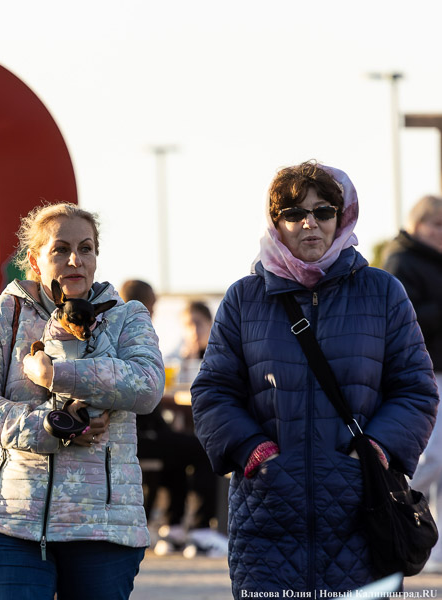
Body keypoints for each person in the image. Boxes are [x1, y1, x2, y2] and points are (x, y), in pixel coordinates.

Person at [191, 161, 438, 598]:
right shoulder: (243, 298)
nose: (310, 223)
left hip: (363, 513)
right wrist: (254, 453)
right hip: (266, 515)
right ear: (276, 222)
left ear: (341, 218)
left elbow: (415, 389)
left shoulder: (383, 292)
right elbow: (213, 392)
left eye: (323, 211)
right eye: (294, 213)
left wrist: (376, 451)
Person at [0, 203, 165, 600]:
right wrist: (50, 425)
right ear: (34, 260)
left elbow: (148, 387)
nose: (74, 260)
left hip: (104, 527)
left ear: (96, 257)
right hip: (13, 523)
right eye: (60, 249)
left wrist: (56, 375)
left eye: (86, 248)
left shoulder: (127, 317)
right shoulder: (2, 315)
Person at [125, 287, 226, 558]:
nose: (153, 314)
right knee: (200, 448)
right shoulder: (135, 337)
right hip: (133, 435)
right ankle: (202, 531)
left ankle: (173, 529)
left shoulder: (217, 352)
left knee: (178, 447)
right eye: (152, 308)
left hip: (139, 432)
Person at [382, 194, 442, 571]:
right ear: (417, 225)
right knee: (431, 457)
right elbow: (404, 320)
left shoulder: (434, 261)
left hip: (439, 370)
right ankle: (390, 502)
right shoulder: (400, 260)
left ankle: (436, 550)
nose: (441, 233)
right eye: (436, 225)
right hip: (423, 374)